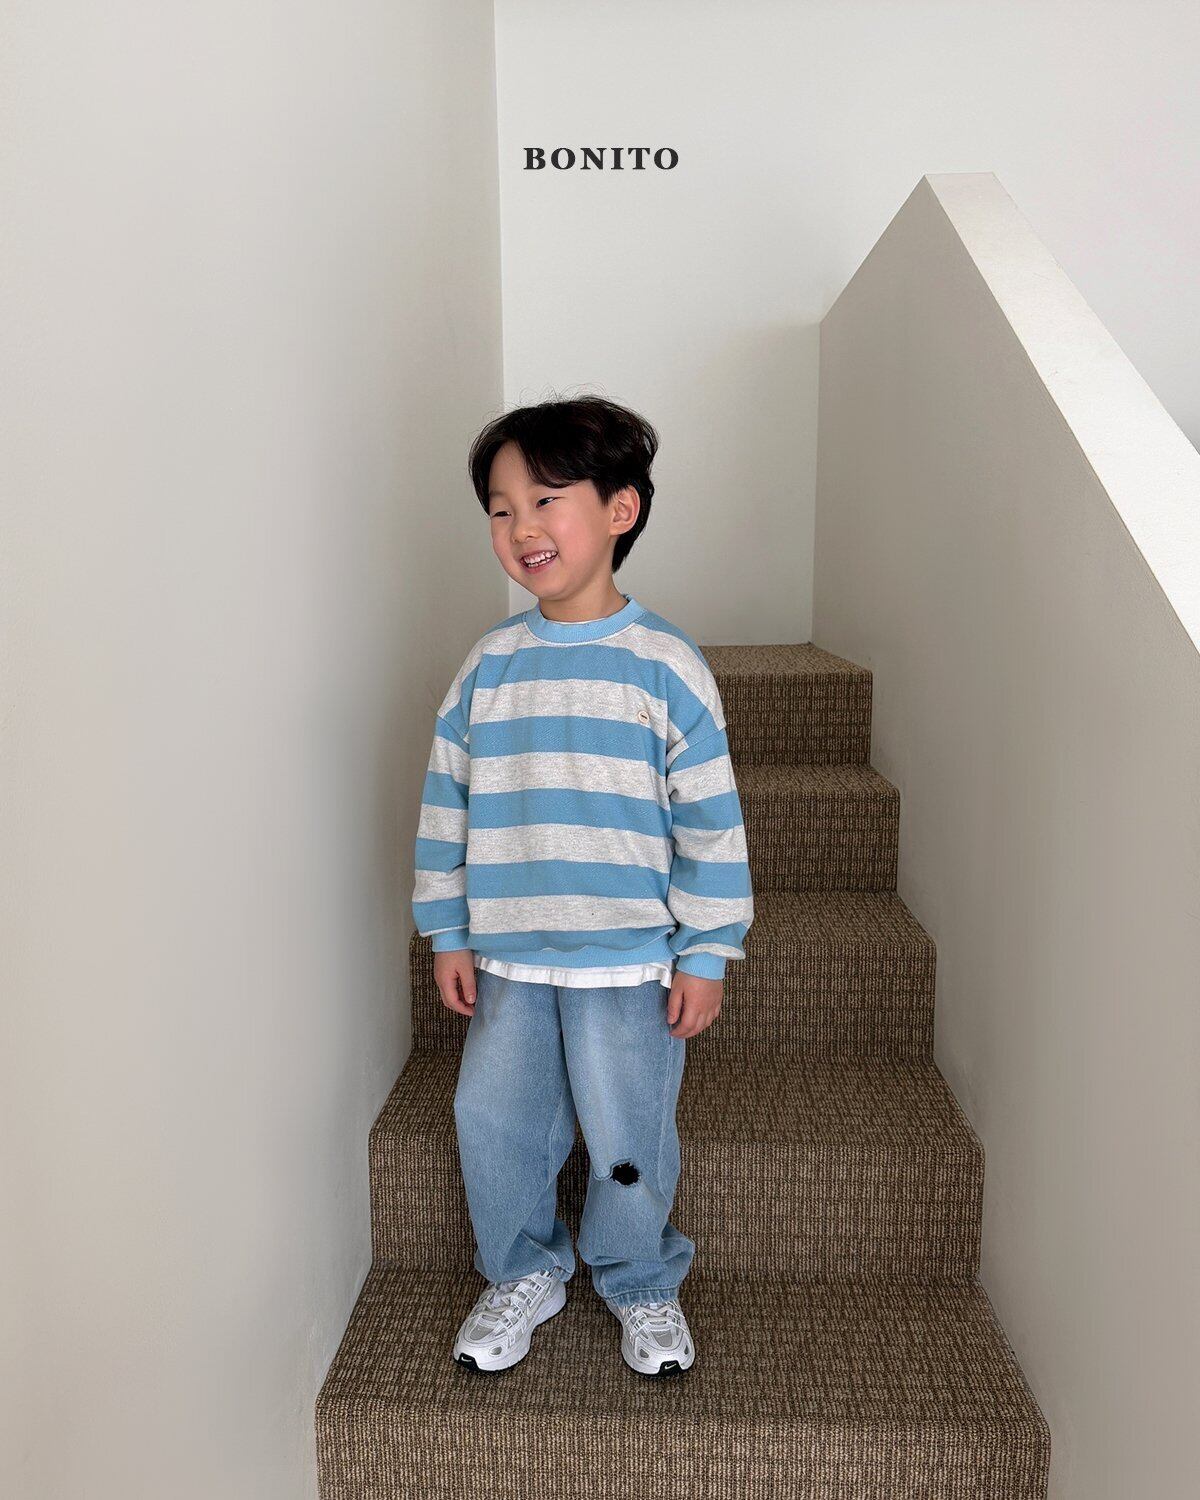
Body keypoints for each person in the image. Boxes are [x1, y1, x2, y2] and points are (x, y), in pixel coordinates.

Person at [411, 394, 753, 1377]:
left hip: (629, 961)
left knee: (628, 1132)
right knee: (496, 1123)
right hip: (510, 958)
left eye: (546, 499)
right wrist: (448, 931)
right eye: (500, 508)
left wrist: (706, 951)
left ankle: (639, 1277)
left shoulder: (666, 668)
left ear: (619, 510)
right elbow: (445, 806)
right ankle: (522, 1269)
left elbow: (710, 824)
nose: (521, 526)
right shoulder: (488, 668)